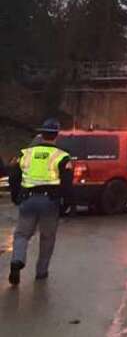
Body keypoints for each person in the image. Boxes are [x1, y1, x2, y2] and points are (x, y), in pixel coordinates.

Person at [7, 119, 73, 285]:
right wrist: (67, 203)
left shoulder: (24, 153)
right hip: (50, 202)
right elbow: (67, 182)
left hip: (27, 199)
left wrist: (15, 196)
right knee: (47, 237)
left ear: (41, 134)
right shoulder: (62, 156)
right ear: (56, 135)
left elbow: (13, 176)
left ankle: (17, 260)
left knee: (22, 234)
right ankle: (41, 272)